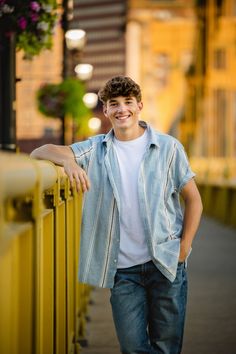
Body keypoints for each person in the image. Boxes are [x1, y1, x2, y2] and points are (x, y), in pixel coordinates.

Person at [30, 75, 203, 354]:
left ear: (139, 106)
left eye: (128, 102)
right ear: (106, 110)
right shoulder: (95, 148)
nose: (122, 108)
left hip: (166, 263)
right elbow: (40, 152)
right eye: (114, 104)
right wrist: (69, 163)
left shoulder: (169, 148)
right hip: (123, 271)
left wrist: (184, 248)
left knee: (167, 346)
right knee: (132, 347)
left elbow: (194, 199)